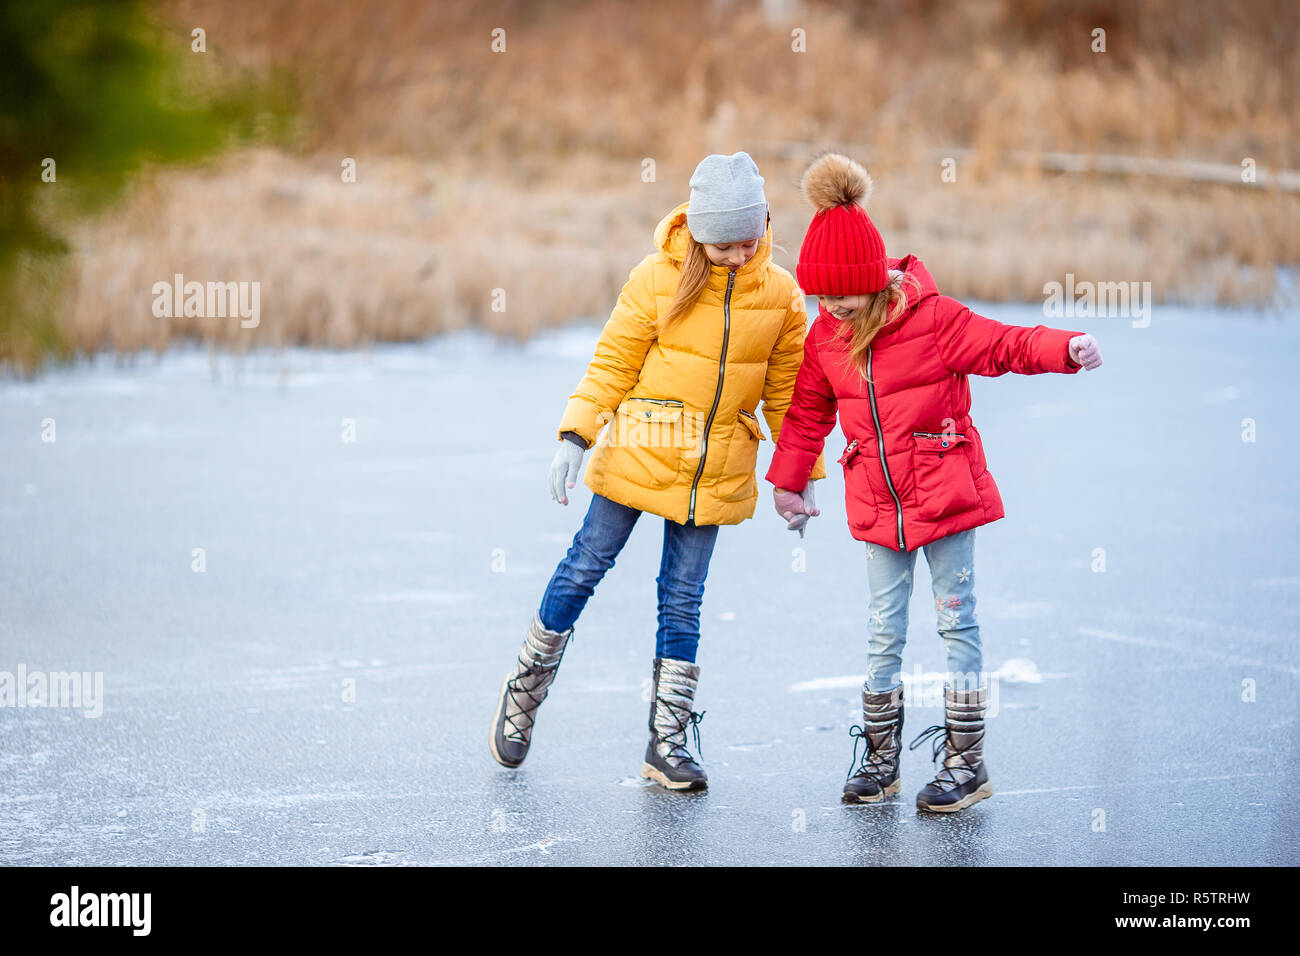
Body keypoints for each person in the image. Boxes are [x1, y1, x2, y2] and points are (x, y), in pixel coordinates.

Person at [766, 153, 1103, 812]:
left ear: (872, 279)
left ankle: (965, 763)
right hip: (876, 505)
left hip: (946, 500)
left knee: (956, 625)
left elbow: (1004, 344)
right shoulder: (824, 339)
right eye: (821, 294)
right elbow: (808, 411)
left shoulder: (933, 319)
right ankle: (882, 760)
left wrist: (1063, 349)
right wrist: (788, 482)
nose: (830, 305)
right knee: (882, 632)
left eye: (841, 292)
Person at [489, 151, 827, 791]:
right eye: (722, 243)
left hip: (716, 466)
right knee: (586, 564)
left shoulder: (782, 295)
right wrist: (575, 434)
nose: (735, 254)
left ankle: (667, 743)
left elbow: (788, 395)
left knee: (683, 599)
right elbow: (613, 361)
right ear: (699, 234)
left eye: (746, 241)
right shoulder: (656, 278)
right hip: (642, 449)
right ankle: (523, 694)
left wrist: (799, 469)